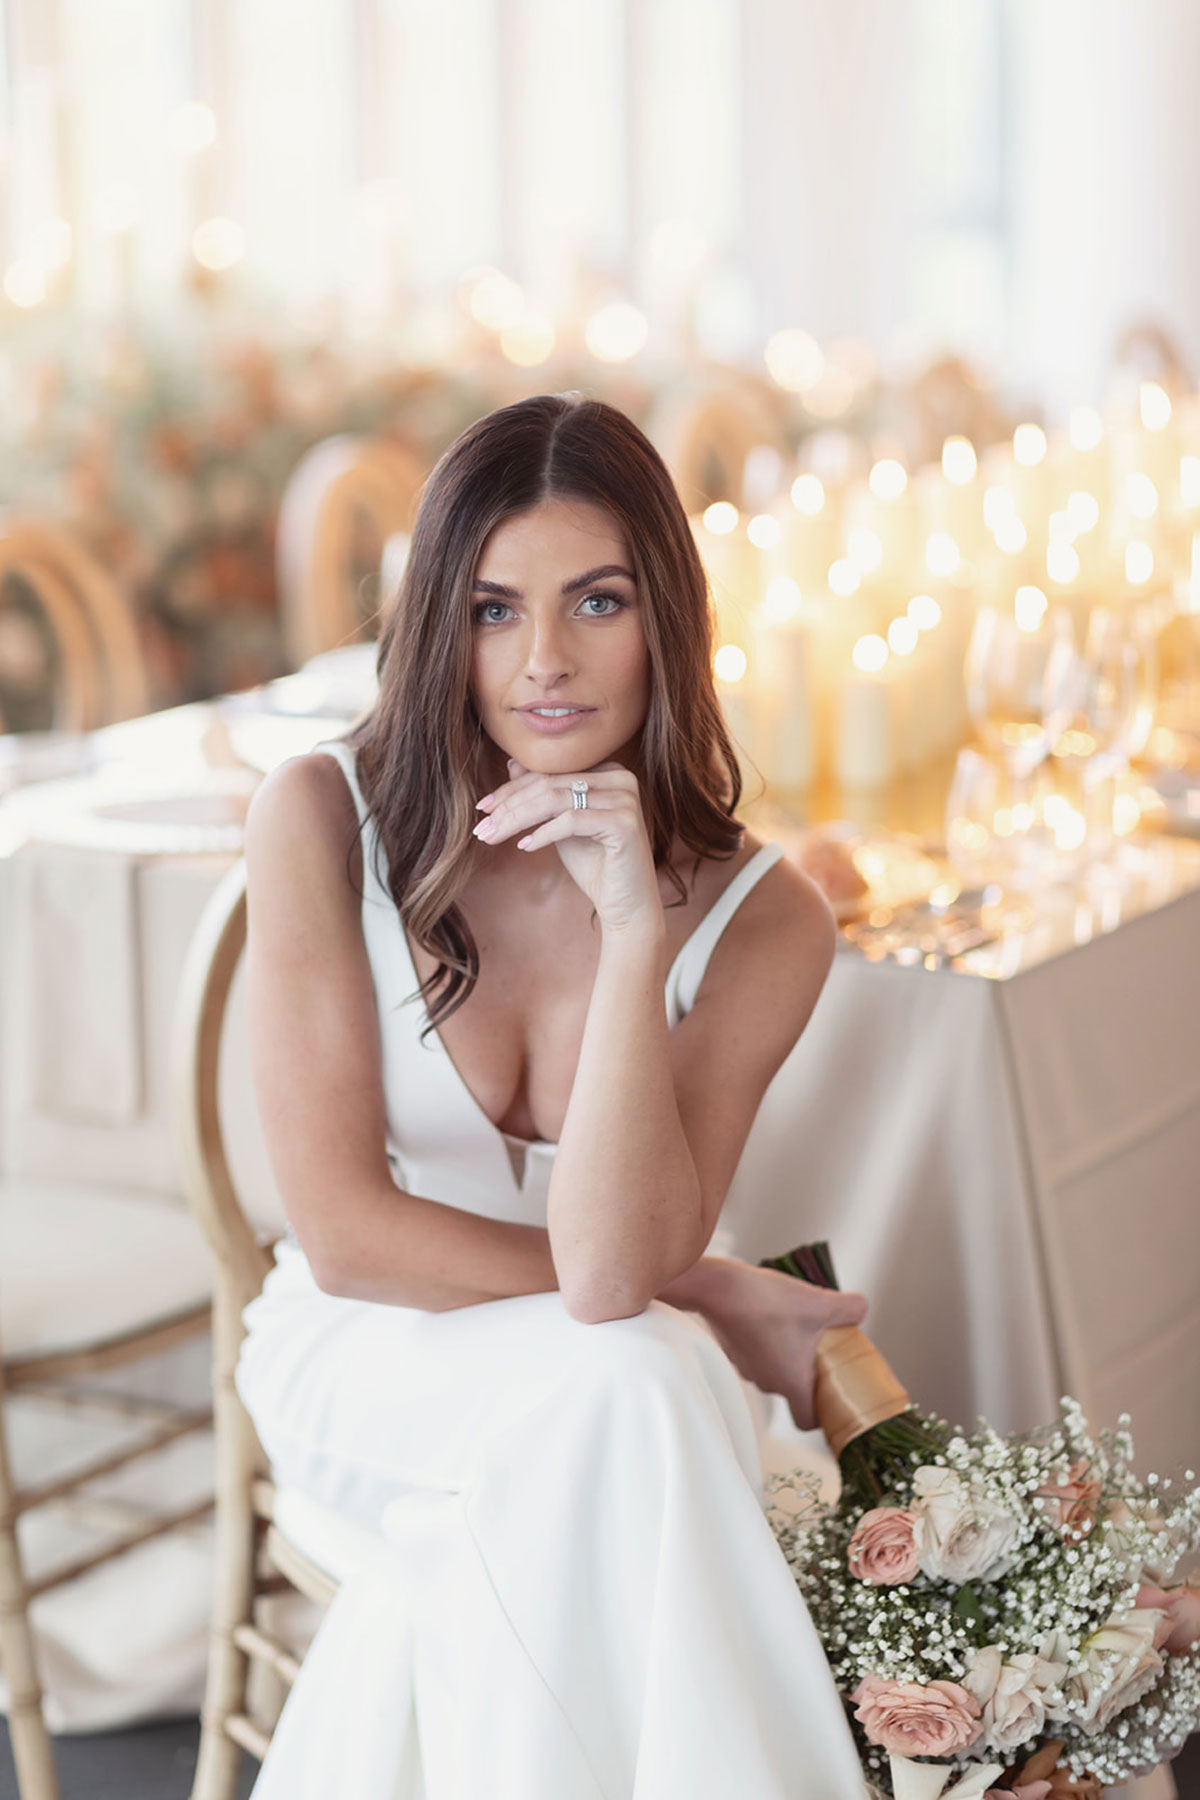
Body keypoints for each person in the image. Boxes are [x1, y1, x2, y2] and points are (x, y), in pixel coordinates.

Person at [234, 392, 870, 1798]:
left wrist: (638, 927)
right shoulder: (319, 819)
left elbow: (603, 1279)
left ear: (670, 620)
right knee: (637, 1386)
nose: (544, 665)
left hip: (604, 1360)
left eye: (597, 601)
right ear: (437, 628)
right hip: (365, 1346)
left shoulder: (769, 923)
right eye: (491, 611)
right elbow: (347, 1235)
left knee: (616, 1399)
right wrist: (695, 1289)